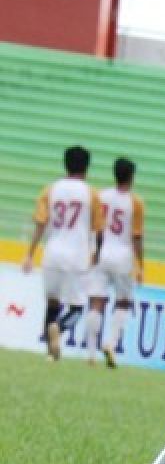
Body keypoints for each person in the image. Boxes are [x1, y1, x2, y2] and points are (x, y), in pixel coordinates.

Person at [21, 145, 105, 361]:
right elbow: (99, 231)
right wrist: (97, 255)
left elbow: (40, 223)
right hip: (77, 255)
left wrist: (30, 253)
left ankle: (50, 353)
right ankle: (58, 328)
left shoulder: (50, 189)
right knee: (76, 307)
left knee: (52, 303)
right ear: (86, 168)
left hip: (52, 254)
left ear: (65, 164)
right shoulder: (91, 194)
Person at [83, 157, 145, 367]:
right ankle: (110, 343)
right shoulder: (135, 202)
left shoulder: (101, 196)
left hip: (101, 253)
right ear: (131, 177)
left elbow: (94, 227)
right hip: (123, 256)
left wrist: (93, 252)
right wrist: (140, 265)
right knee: (123, 302)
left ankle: (91, 353)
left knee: (96, 302)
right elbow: (137, 236)